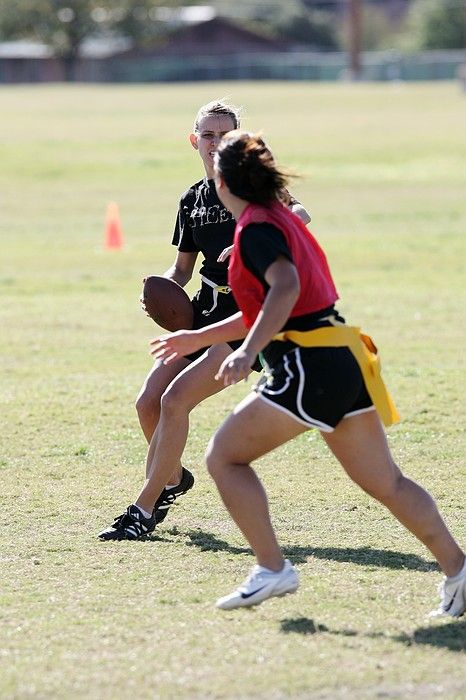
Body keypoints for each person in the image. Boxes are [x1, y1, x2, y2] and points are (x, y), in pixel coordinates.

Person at [151, 130, 466, 617]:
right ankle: (458, 571)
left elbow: (286, 289)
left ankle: (272, 568)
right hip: (340, 357)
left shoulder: (255, 228)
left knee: (225, 458)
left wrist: (246, 351)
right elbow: (267, 302)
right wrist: (197, 339)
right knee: (387, 484)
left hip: (307, 365)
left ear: (223, 181)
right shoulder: (274, 217)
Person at [98, 102, 310, 541]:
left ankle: (144, 507)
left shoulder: (254, 186)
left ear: (238, 140)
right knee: (148, 403)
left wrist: (258, 238)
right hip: (202, 313)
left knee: (176, 401)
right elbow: (182, 270)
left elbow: (302, 215)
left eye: (224, 135)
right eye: (207, 136)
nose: (215, 143)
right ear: (194, 140)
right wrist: (161, 292)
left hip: (246, 318)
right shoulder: (192, 199)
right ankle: (174, 479)